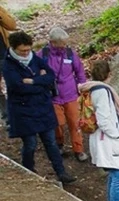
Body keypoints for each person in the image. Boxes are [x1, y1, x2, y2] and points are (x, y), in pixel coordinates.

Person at [2, 31, 75, 183]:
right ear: (14, 48)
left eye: (28, 49)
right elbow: (18, 87)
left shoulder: (34, 57)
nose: (26, 53)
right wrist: (41, 82)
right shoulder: (8, 65)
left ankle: (61, 172)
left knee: (51, 142)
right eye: (22, 51)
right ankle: (29, 170)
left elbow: (50, 76)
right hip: (23, 111)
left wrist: (34, 81)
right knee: (30, 144)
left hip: (42, 108)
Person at [79, 60, 119, 201]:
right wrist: (116, 135)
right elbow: (104, 119)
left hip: (101, 138)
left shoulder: (91, 89)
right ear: (109, 74)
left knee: (114, 174)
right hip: (107, 139)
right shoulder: (102, 91)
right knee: (118, 176)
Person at [38, 27, 87, 161]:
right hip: (52, 96)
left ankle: (79, 149)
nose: (65, 46)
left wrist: (81, 86)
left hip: (71, 94)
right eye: (62, 43)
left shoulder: (70, 53)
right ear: (53, 42)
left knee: (75, 123)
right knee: (57, 123)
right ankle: (59, 144)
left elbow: (80, 71)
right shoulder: (42, 55)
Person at [0, 5, 16, 126]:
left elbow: (11, 25)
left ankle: (17, 112)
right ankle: (6, 117)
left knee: (14, 82)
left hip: (3, 53)